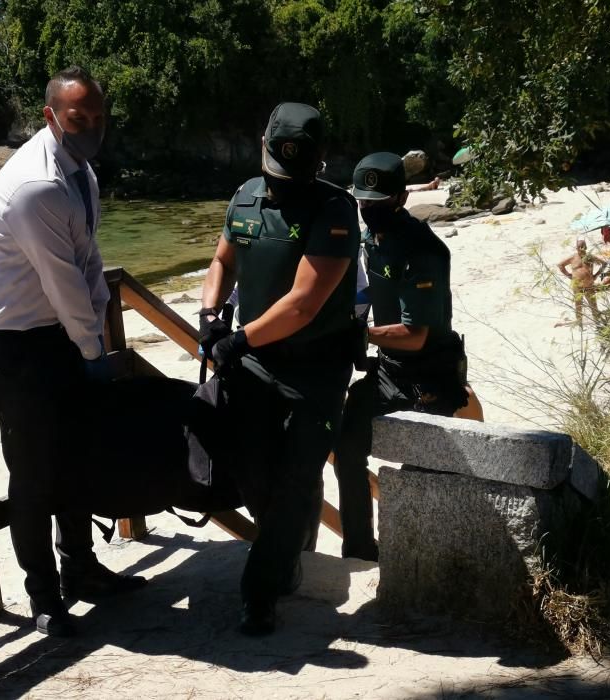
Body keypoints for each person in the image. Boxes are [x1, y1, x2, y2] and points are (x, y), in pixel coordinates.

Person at [0, 66, 145, 638]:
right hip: (14, 339)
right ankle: (44, 596)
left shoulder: (80, 172)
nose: (90, 127)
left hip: (59, 330)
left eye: (97, 118)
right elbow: (59, 278)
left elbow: (88, 259)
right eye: (78, 118)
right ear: (50, 116)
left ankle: (83, 570)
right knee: (35, 471)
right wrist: (93, 347)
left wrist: (92, 329)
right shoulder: (34, 185)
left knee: (79, 452)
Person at [198, 102, 360, 635]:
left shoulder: (336, 210)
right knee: (254, 474)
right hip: (256, 366)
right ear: (262, 145)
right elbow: (223, 260)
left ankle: (258, 592)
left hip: (317, 370)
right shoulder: (244, 196)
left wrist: (239, 337)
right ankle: (286, 558)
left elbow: (304, 303)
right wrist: (209, 316)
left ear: (320, 161)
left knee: (295, 481)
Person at [334, 152, 470, 562]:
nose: (370, 209)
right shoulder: (369, 239)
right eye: (363, 202)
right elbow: (368, 292)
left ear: (402, 197)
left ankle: (429, 556)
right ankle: (359, 546)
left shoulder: (423, 250)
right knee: (345, 444)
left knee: (427, 469)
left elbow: (414, 336)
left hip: (430, 374)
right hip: (389, 368)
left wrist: (359, 334)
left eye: (379, 202)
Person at [557, 238, 603, 328]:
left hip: (589, 285)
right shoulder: (573, 257)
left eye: (583, 246)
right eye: (579, 247)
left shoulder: (590, 257)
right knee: (578, 305)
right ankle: (580, 325)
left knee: (593, 305)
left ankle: (598, 325)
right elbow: (560, 265)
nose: (581, 248)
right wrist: (568, 275)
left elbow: (604, 263)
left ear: (586, 247)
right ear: (576, 248)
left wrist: (596, 275)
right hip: (577, 286)